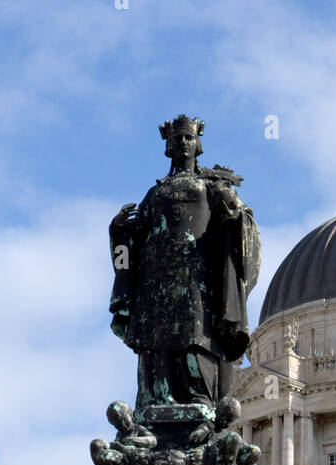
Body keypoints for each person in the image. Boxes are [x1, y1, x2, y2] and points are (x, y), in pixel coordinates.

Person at [108, 115, 260, 411]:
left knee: (195, 335)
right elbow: (135, 242)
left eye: (188, 138)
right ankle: (156, 398)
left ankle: (197, 398)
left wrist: (232, 210)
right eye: (176, 139)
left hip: (197, 274)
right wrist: (119, 231)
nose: (182, 143)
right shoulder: (155, 194)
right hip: (156, 278)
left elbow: (241, 223)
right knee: (156, 340)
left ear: (197, 144)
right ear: (168, 146)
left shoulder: (211, 187)